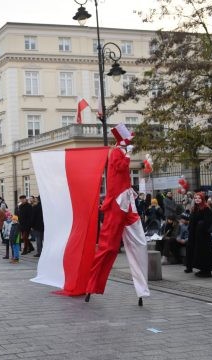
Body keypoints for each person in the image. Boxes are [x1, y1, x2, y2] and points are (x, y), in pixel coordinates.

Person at [85, 124, 150, 305]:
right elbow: (121, 168)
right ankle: (92, 285)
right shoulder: (116, 153)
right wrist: (128, 154)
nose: (131, 140)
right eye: (129, 138)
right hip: (116, 204)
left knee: (139, 242)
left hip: (127, 202)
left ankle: (142, 289)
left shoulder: (120, 151)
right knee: (108, 247)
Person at [184, 192, 212, 278]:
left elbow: (208, 221)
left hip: (203, 236)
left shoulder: (206, 208)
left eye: (199, 198)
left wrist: (200, 226)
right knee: (193, 250)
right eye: (196, 198)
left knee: (204, 252)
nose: (197, 199)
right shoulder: (195, 208)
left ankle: (206, 271)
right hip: (194, 234)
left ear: (202, 199)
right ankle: (198, 268)